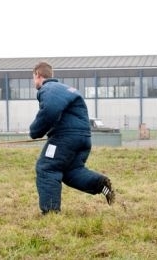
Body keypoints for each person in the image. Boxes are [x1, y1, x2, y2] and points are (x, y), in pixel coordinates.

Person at [29, 61, 115, 214]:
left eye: (33, 78)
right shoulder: (67, 89)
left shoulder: (48, 88)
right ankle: (100, 183)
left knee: (46, 168)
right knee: (71, 172)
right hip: (82, 138)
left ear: (38, 75)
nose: (34, 82)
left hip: (65, 138)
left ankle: (50, 212)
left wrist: (35, 131)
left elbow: (50, 110)